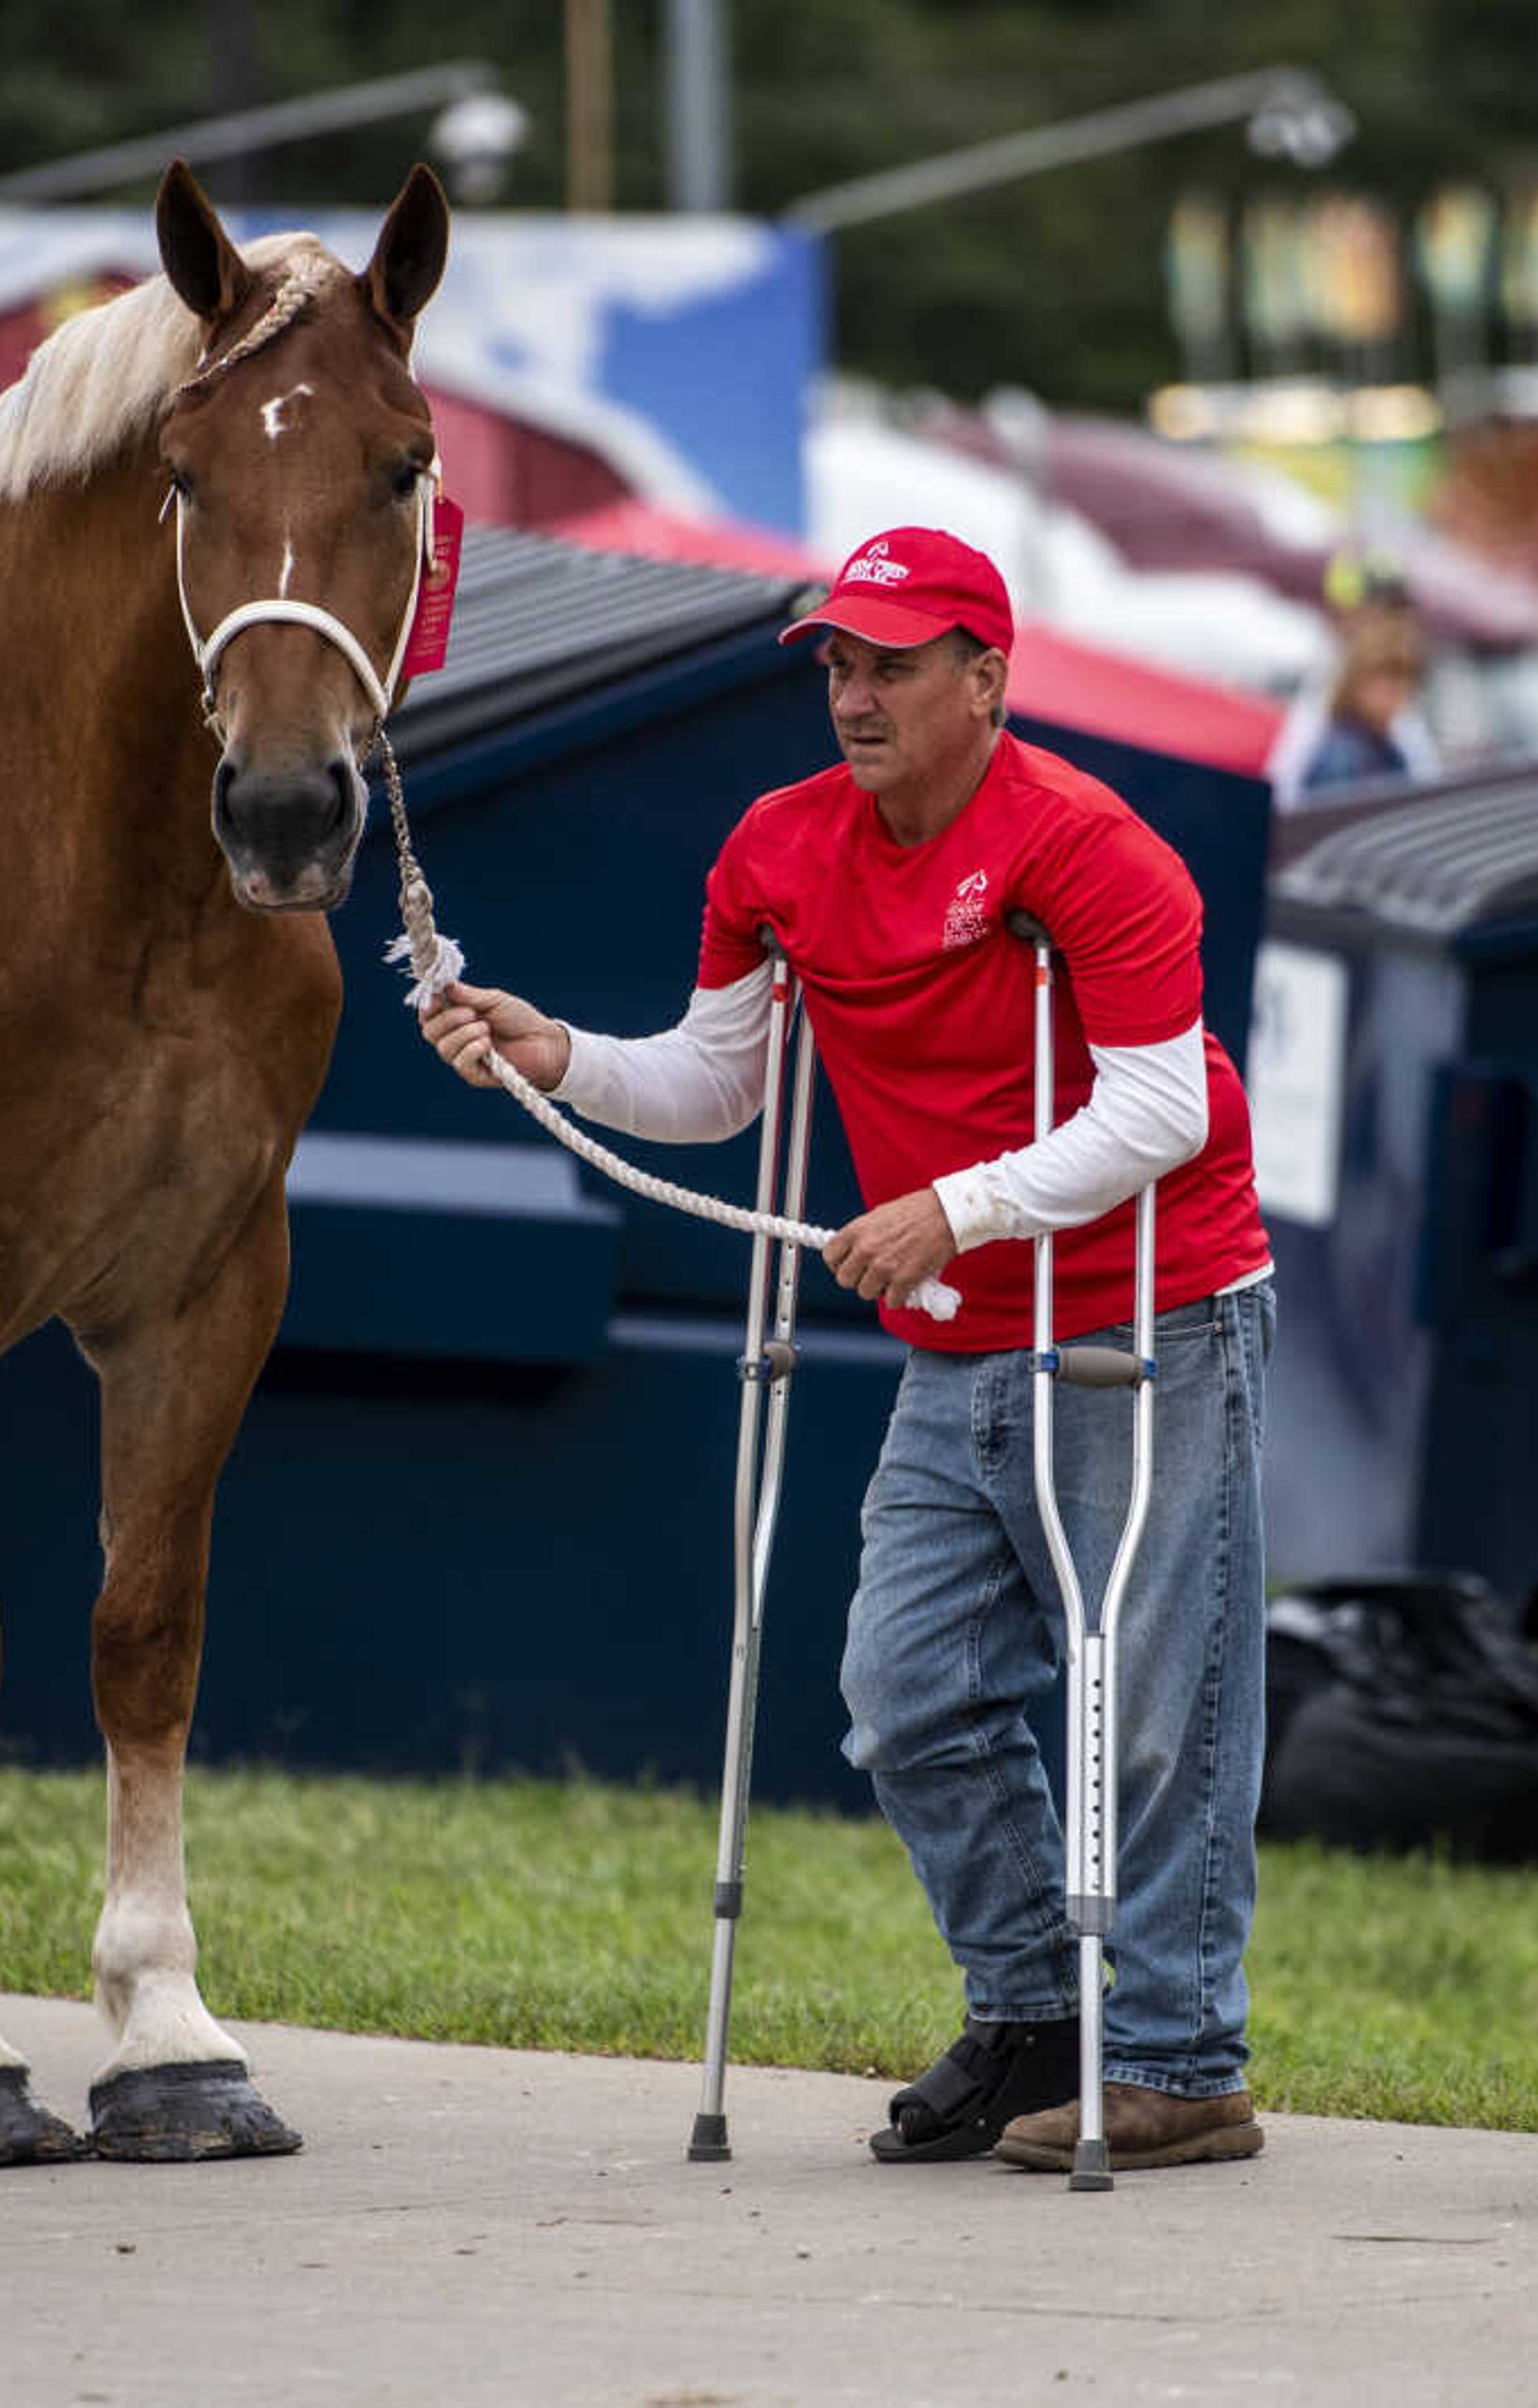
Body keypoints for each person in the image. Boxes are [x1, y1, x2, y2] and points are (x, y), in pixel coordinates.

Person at [418, 527, 1279, 2174]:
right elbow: (718, 1082)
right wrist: (567, 1055)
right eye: (836, 663)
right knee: (907, 1693)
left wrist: (954, 1209)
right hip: (957, 1333)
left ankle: (1183, 2058)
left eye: (891, 664)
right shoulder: (777, 848)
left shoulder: (1094, 848)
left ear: (985, 678)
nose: (855, 694)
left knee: (1162, 1700)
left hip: (1143, 1307)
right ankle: (1038, 2009)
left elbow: (1161, 1111)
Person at [1264, 555, 1438, 810]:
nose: (1388, 622)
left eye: (1394, 609)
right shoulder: (1335, 739)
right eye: (1376, 608)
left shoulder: (1398, 720)